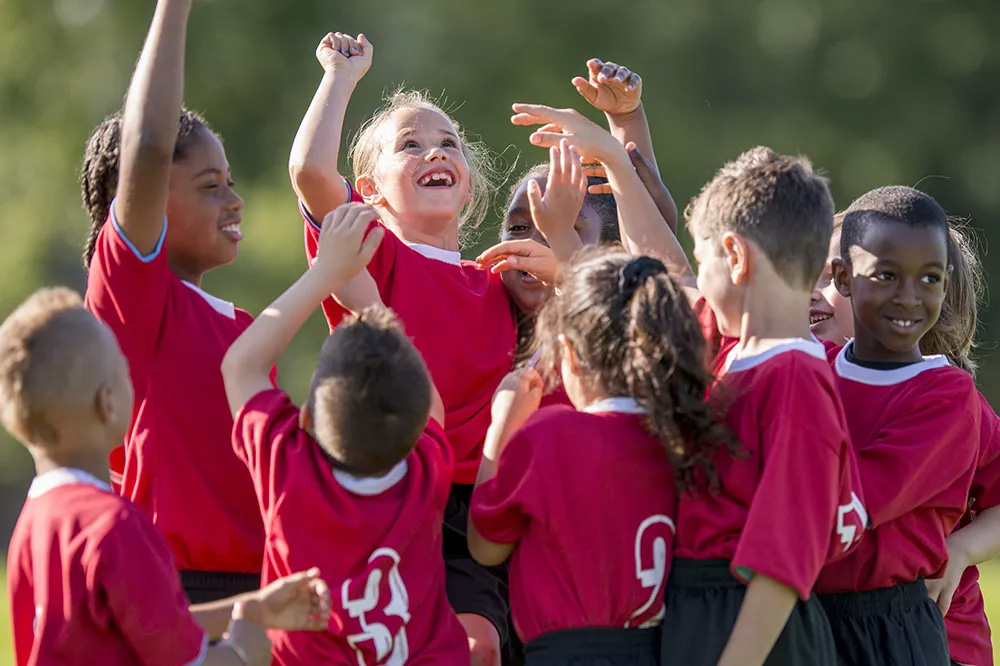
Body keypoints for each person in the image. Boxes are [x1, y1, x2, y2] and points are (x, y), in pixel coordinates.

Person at [288, 31, 516, 663]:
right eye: (409, 145)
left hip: (473, 509)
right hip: (389, 488)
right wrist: (340, 76)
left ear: (467, 187)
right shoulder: (371, 251)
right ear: (370, 190)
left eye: (449, 144)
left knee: (479, 646)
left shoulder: (498, 284)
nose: (433, 151)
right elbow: (311, 173)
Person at [2, 287, 332, 666]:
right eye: (124, 370)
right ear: (108, 403)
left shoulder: (32, 525)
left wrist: (255, 608)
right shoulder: (116, 525)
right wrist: (243, 652)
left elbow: (147, 625)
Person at [221, 203, 471, 665]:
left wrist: (325, 274)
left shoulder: (288, 469)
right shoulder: (426, 473)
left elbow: (241, 366)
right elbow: (431, 407)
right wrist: (370, 304)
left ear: (306, 418)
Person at [81, 0, 266, 602]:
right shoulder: (132, 297)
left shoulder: (243, 329)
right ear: (144, 197)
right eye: (210, 187)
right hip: (172, 591)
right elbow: (148, 146)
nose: (234, 200)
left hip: (259, 598)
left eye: (230, 182)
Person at [469, 246, 730, 665]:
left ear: (570, 355)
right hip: (667, 650)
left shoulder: (549, 436)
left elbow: (485, 547)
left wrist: (502, 426)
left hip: (567, 655)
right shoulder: (689, 436)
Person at [811, 190, 991, 666]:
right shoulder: (810, 370)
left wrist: (961, 548)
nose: (810, 290)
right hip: (823, 619)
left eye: (927, 278)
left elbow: (850, 505)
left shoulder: (949, 399)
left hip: (933, 629)